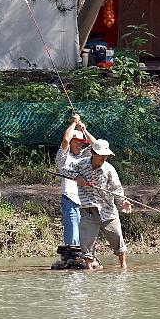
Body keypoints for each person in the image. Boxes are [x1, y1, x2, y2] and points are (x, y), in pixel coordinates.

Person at [65, 139, 132, 270]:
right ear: (92, 153)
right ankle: (89, 268)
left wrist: (123, 201)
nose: (103, 158)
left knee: (117, 237)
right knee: (87, 241)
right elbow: (65, 169)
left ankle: (123, 266)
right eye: (101, 155)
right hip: (88, 209)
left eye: (105, 156)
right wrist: (77, 177)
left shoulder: (109, 169)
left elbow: (117, 189)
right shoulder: (80, 164)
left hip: (108, 210)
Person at [55, 114, 96, 246]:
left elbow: (96, 145)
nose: (79, 145)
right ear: (71, 143)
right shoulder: (63, 155)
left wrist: (84, 130)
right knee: (72, 231)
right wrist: (74, 123)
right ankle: (71, 256)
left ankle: (82, 256)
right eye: (76, 142)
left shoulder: (84, 155)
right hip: (70, 198)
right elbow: (66, 138)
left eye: (81, 143)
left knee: (84, 231)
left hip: (84, 199)